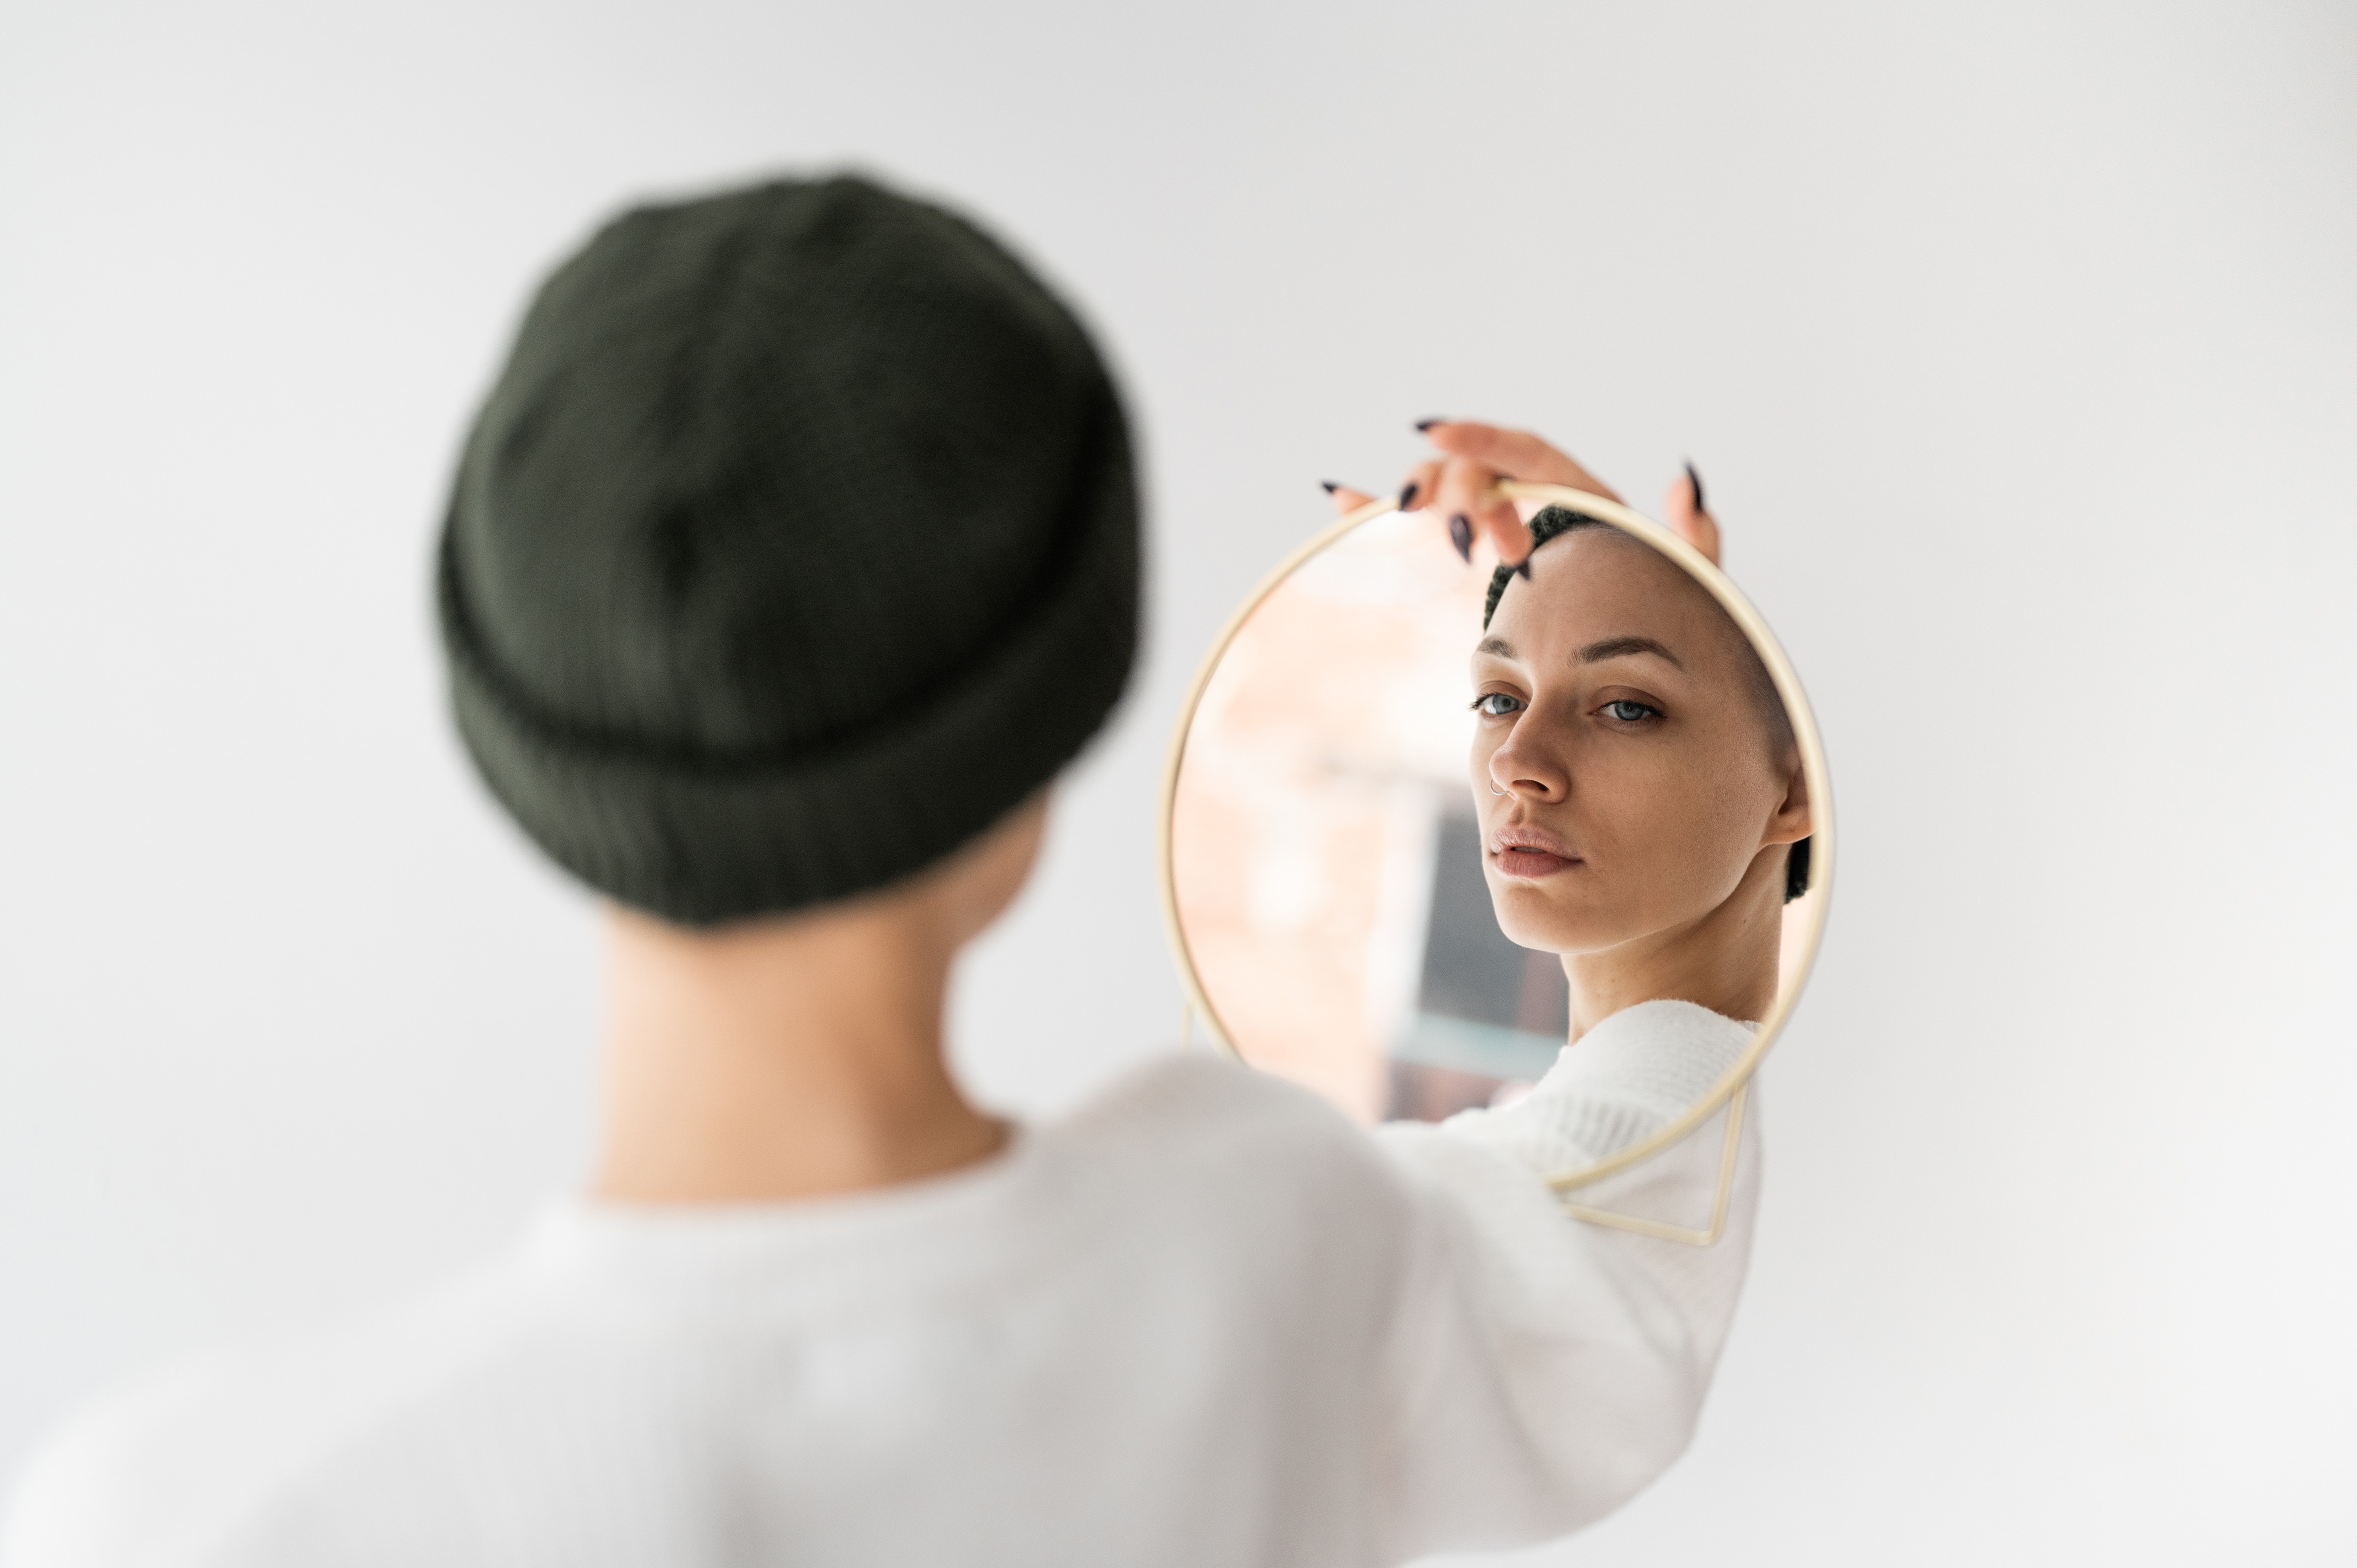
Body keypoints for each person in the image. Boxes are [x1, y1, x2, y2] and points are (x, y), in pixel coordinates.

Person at [0, 175, 1765, 1568]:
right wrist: (1690, 676)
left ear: (523, 736)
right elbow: (1608, 1271)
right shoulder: (1260, 1252)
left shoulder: (188, 1521)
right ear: (1038, 759)